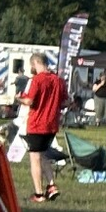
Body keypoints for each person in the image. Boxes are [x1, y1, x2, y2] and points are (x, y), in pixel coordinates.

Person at [17, 53, 67, 201]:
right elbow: (65, 102)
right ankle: (51, 185)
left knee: (34, 158)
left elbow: (30, 101)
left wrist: (18, 99)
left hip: (37, 124)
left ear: (35, 63)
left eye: (31, 65)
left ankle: (38, 194)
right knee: (42, 154)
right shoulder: (58, 80)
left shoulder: (37, 80)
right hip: (52, 124)